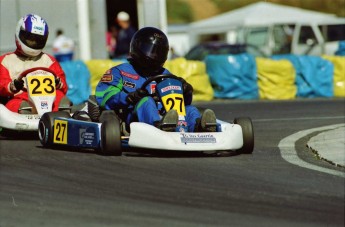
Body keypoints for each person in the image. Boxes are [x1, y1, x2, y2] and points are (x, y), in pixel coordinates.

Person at [95, 27, 217, 132]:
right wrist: (129, 97)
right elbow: (104, 97)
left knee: (189, 109)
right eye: (150, 51)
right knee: (146, 101)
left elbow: (178, 103)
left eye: (158, 52)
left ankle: (198, 128)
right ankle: (159, 126)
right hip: (131, 117)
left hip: (168, 115)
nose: (154, 56)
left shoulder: (165, 74)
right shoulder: (120, 72)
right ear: (137, 47)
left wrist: (186, 92)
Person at [0, 14, 69, 113]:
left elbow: (63, 86)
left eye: (38, 39)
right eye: (30, 38)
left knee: (62, 99)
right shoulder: (5, 61)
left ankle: (63, 119)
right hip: (20, 98)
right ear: (19, 33)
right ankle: (26, 119)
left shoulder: (49, 61)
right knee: (16, 105)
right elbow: (1, 82)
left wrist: (59, 83)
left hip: (49, 101)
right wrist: (11, 86)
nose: (34, 42)